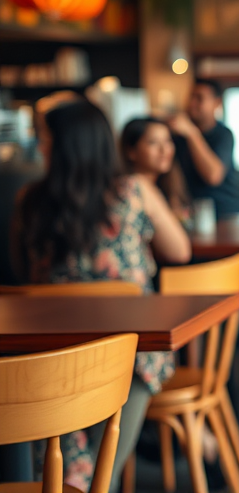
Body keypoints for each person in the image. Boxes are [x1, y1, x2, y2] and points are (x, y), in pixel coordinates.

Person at [11, 101, 192, 492]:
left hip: (53, 356)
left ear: (62, 146)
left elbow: (25, 274)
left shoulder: (30, 200)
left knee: (67, 452)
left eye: (45, 136)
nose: (40, 144)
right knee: (99, 467)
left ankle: (76, 481)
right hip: (129, 352)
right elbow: (179, 251)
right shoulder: (134, 191)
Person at [169, 78, 239, 219]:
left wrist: (192, 133)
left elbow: (213, 176)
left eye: (199, 98)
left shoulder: (223, 135)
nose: (192, 104)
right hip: (194, 214)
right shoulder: (179, 137)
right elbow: (174, 176)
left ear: (217, 103)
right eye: (191, 97)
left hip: (226, 213)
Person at [121, 117, 192, 227]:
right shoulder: (128, 192)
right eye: (153, 142)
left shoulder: (169, 186)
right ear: (131, 151)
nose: (164, 150)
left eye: (168, 141)